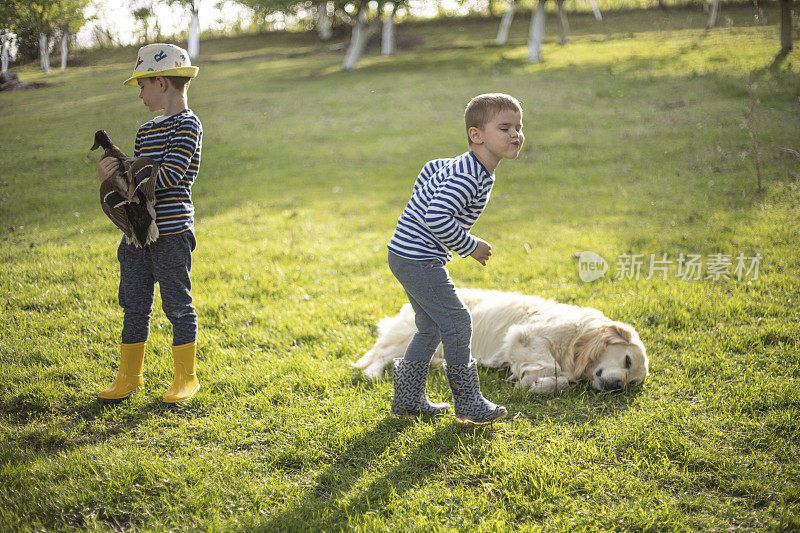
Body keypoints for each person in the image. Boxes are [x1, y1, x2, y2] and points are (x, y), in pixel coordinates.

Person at [386, 93, 524, 425]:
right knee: (458, 323)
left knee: (431, 326)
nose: (515, 135)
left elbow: (430, 168)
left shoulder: (464, 166)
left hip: (405, 253)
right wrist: (469, 244)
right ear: (476, 135)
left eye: (519, 127)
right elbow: (436, 216)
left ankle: (408, 401)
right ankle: (468, 402)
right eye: (504, 128)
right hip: (419, 259)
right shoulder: (469, 174)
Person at [96, 43, 203, 405]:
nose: (139, 93)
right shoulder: (145, 132)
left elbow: (170, 176)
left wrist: (132, 173)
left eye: (142, 85)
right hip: (137, 236)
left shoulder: (188, 125)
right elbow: (135, 184)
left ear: (160, 83)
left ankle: (185, 378)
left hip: (171, 233)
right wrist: (109, 176)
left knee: (177, 305)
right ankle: (129, 377)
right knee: (134, 304)